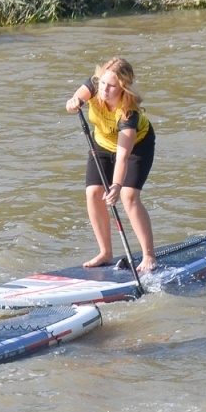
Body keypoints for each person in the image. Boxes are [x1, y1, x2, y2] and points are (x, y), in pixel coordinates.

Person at [65, 57, 158, 272]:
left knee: (128, 196)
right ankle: (105, 253)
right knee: (93, 193)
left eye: (112, 86)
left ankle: (149, 255)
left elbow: (123, 157)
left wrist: (116, 185)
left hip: (136, 147)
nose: (105, 89)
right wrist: (73, 104)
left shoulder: (129, 113)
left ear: (123, 87)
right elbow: (74, 101)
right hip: (102, 144)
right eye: (103, 83)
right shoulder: (94, 84)